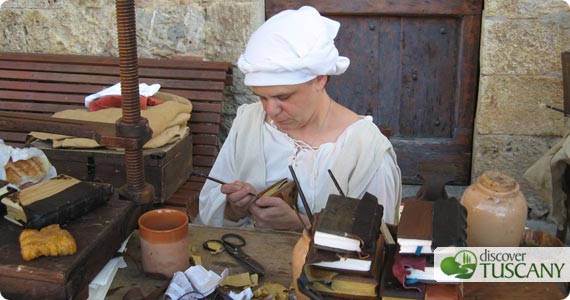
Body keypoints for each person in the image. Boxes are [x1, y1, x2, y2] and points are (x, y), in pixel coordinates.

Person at [197, 6, 401, 231]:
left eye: (282, 96)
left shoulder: (366, 151)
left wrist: (302, 225)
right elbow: (209, 207)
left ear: (320, 79)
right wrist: (233, 209)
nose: (271, 110)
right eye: (261, 97)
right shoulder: (249, 122)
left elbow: (380, 242)